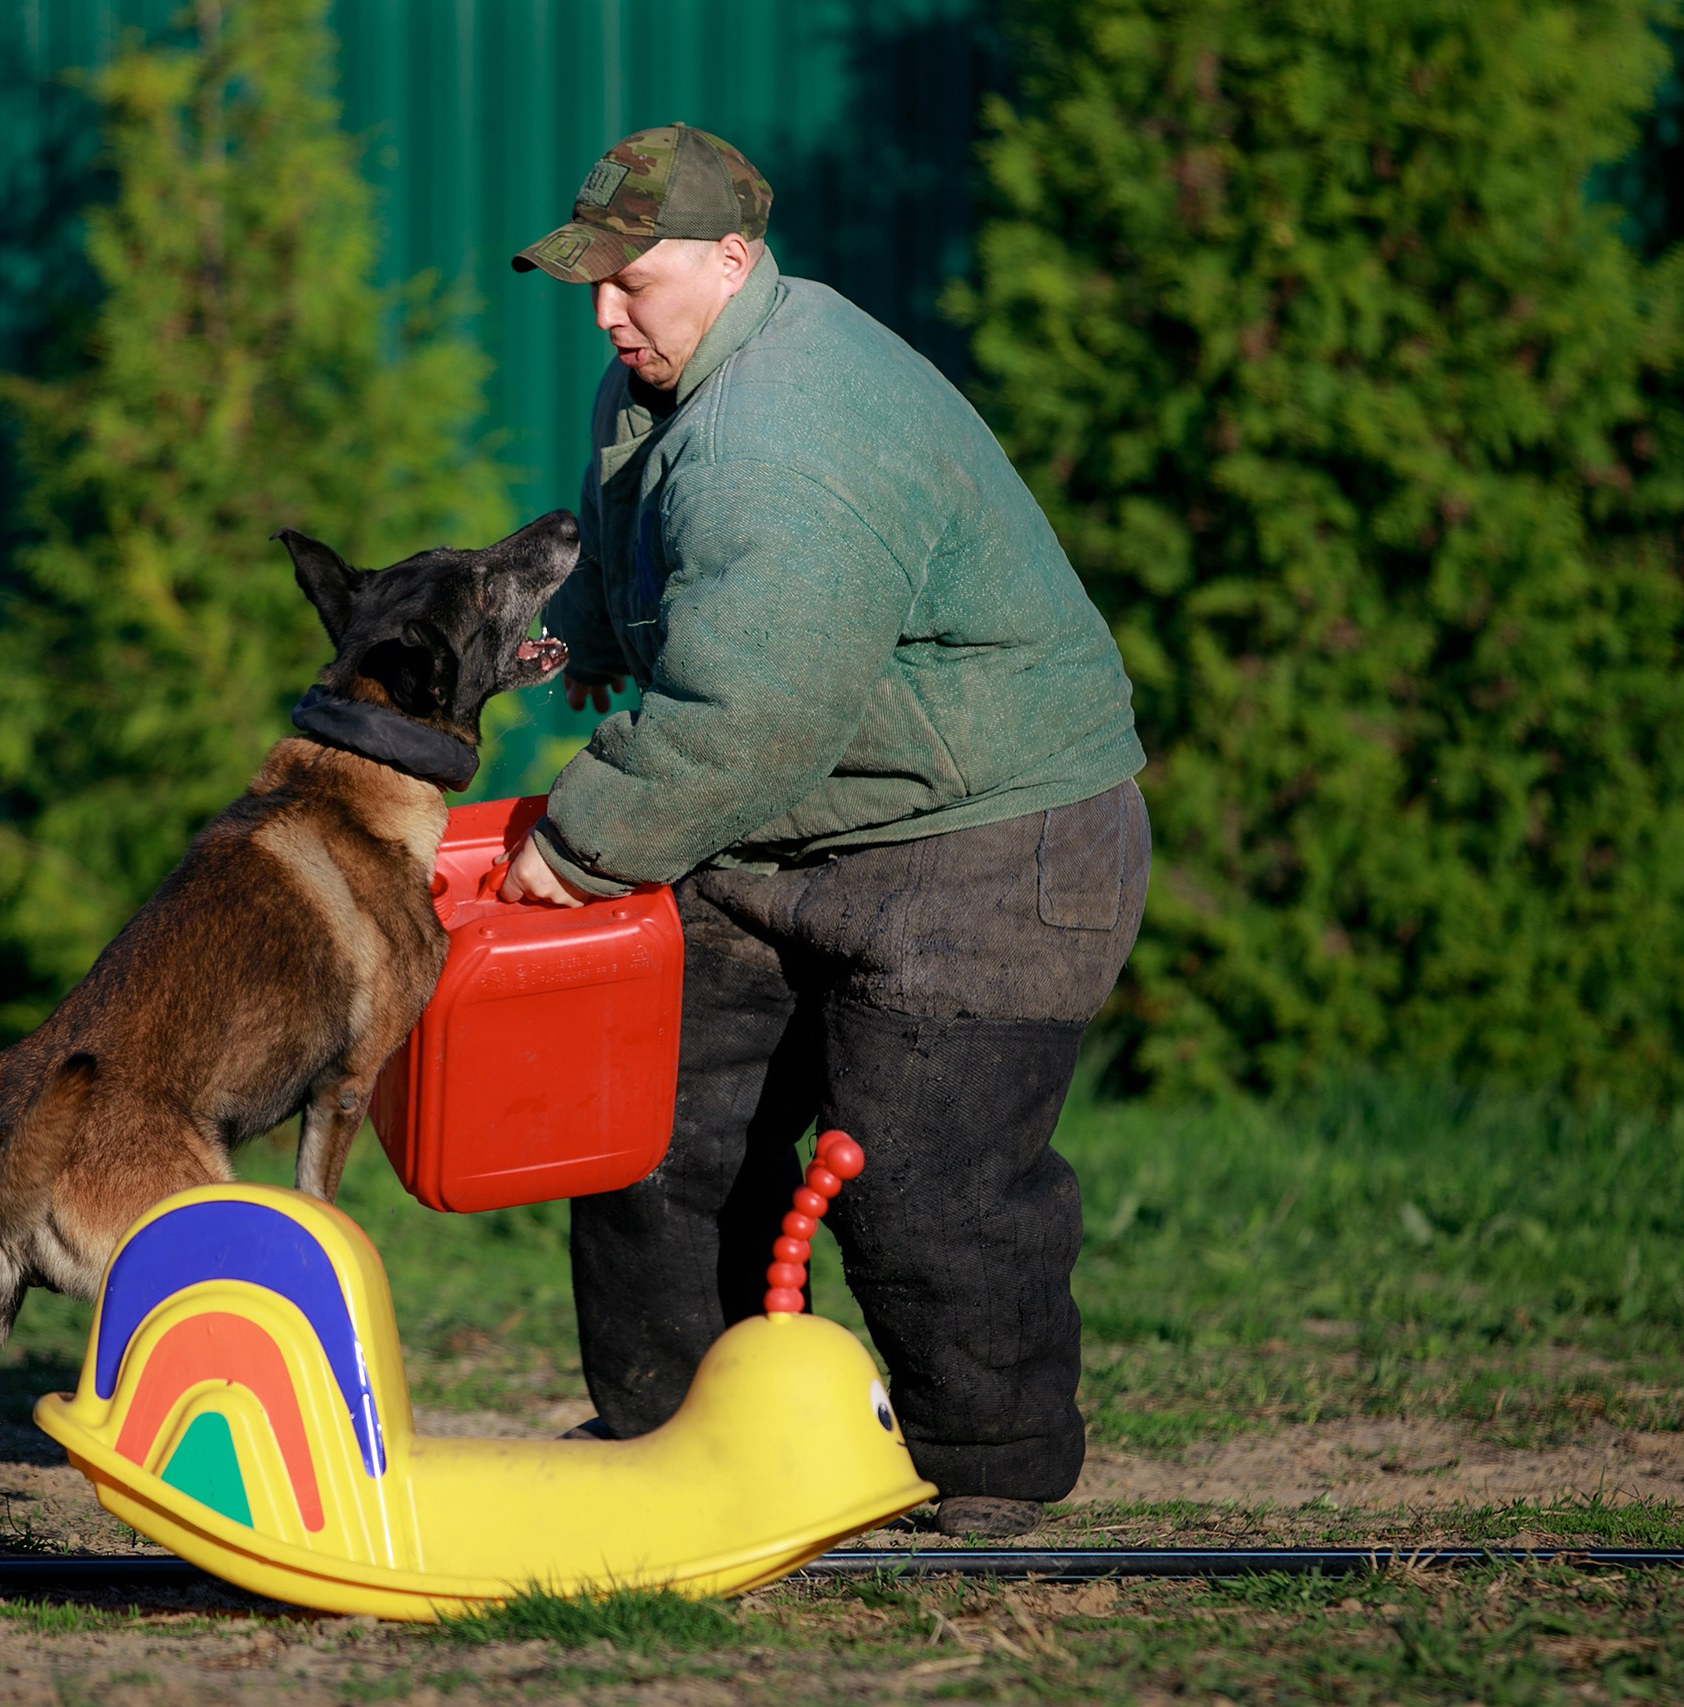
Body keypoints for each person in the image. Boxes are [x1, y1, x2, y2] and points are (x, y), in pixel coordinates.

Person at [502, 124, 1150, 1538]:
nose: (604, 312)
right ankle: (671, 1441)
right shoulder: (671, 370)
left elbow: (755, 707)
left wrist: (582, 843)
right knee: (652, 1131)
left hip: (993, 842)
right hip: (788, 828)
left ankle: (989, 1471)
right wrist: (593, 635)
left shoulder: (785, 435)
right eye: (589, 280)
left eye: (631, 280)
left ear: (734, 260)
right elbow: (641, 518)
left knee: (925, 1186)